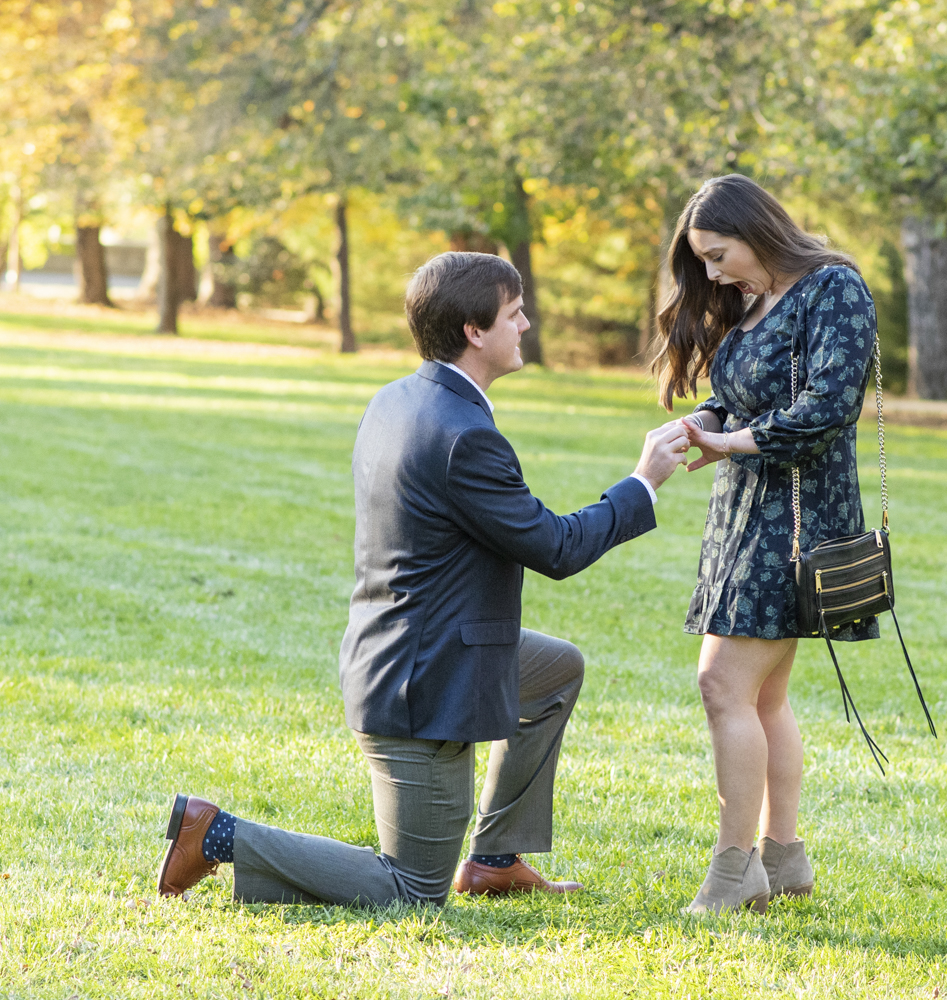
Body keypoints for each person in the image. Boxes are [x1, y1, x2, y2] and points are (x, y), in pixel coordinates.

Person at [157, 251, 690, 907]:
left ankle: (495, 858)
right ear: (474, 329)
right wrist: (642, 482)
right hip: (423, 691)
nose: (526, 325)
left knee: (554, 670)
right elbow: (555, 547)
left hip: (403, 652)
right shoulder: (463, 436)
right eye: (515, 314)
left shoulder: (401, 399)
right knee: (412, 891)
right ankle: (217, 834)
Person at [655, 175, 881, 914]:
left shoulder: (832, 288)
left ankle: (734, 869)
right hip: (742, 511)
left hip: (798, 515)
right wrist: (704, 423)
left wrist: (733, 441)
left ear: (758, 230)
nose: (715, 276)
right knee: (762, 694)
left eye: (720, 256)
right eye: (706, 264)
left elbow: (828, 406)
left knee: (722, 685)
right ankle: (783, 859)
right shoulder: (752, 300)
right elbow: (747, 393)